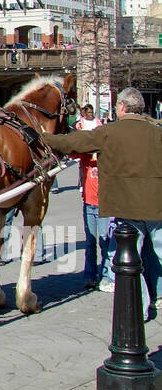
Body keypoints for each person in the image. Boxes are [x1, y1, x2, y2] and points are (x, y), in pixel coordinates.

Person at [41, 87, 162, 320]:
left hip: (128, 207)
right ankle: (157, 295)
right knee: (156, 255)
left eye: (117, 106)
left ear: (123, 108)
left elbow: (74, 142)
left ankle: (141, 307)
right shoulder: (156, 132)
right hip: (156, 207)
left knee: (130, 261)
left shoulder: (109, 132)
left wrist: (44, 137)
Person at [72, 105, 108, 290]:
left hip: (105, 203)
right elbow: (70, 148)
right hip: (89, 201)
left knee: (105, 241)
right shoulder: (85, 154)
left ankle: (108, 275)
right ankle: (90, 276)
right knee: (90, 241)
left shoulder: (108, 153)